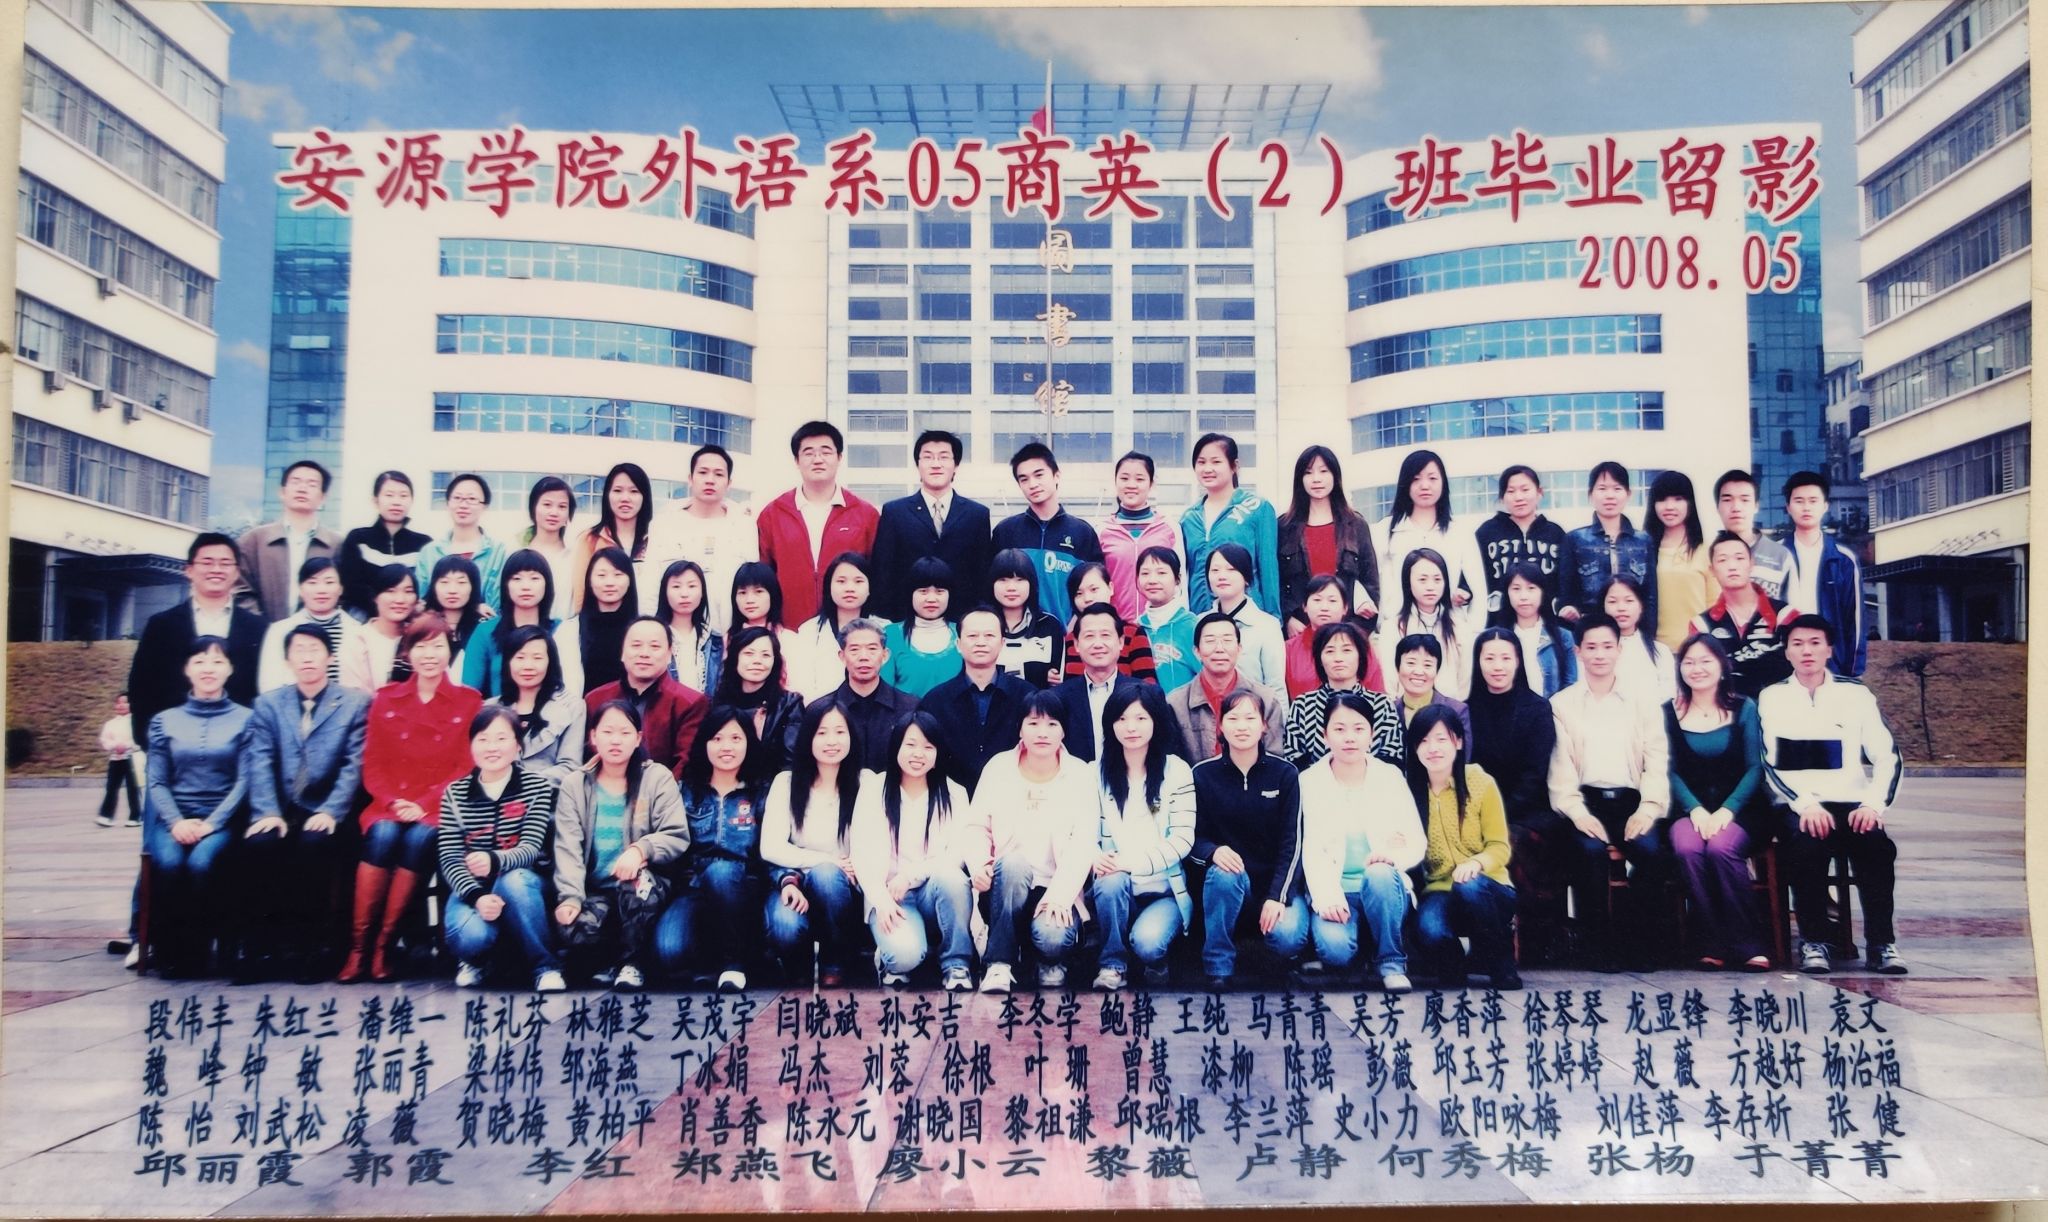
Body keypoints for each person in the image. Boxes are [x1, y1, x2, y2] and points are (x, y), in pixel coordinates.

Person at [1763, 617, 1905, 975]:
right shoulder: (1772, 697)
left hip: (1852, 804)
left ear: (1829, 649)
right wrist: (1806, 804)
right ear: (1786, 651)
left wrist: (1873, 804)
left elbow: (1887, 755)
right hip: (1800, 805)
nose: (1806, 651)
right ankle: (1814, 941)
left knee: (1877, 848)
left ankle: (1881, 944)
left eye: (1815, 643)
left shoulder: (1855, 695)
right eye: (1797, 644)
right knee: (1806, 846)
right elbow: (1770, 763)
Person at [352, 614, 483, 979]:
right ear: (407, 652)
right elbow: (372, 764)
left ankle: (384, 946)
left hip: (439, 807)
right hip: (389, 803)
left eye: (437, 646)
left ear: (450, 651)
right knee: (383, 834)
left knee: (419, 839)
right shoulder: (386, 698)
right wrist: (394, 802)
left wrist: (423, 803)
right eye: (420, 646)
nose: (429, 655)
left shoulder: (468, 701)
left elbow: (464, 766)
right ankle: (359, 948)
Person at [240, 625, 370, 983]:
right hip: (282, 807)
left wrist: (331, 811)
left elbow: (353, 764)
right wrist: (268, 812)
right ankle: (260, 950)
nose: (308, 658)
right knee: (260, 843)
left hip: (330, 808)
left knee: (315, 845)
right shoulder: (269, 704)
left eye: (315, 650)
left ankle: (312, 949)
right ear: (287, 659)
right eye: (299, 650)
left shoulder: (354, 702)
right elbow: (260, 760)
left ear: (330, 657)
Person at [1546, 612, 1672, 972]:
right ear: (1578, 652)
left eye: (1607, 646)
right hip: (1585, 802)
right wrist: (1578, 813)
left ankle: (1636, 940)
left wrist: (1648, 808)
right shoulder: (1562, 704)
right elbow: (1561, 769)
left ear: (1619, 649)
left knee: (1651, 852)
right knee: (1589, 853)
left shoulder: (1642, 701)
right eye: (1591, 647)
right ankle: (1597, 945)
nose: (1599, 654)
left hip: (1633, 802)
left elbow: (1656, 760)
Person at [552, 700, 690, 992]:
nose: (616, 740)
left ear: (638, 738)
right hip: (597, 889)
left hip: (646, 884)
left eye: (625, 733)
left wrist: (641, 850)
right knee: (572, 928)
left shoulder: (656, 778)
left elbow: (676, 834)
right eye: (607, 732)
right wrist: (571, 897)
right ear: (593, 736)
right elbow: (568, 847)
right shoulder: (576, 784)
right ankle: (607, 959)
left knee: (636, 888)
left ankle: (633, 964)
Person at [964, 691, 1099, 991]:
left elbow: (1084, 842)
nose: (1042, 733)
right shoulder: (999, 768)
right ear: (1020, 729)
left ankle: (1046, 960)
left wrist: (1060, 896)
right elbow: (976, 826)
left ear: (1064, 730)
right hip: (1005, 887)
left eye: (1052, 724)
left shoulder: (1080, 774)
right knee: (1013, 864)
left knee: (1052, 938)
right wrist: (979, 864)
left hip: (1055, 887)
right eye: (1033, 723)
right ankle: (999, 964)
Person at [1297, 691, 1425, 991]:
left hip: (1384, 890)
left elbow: (1415, 840)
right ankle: (1362, 946)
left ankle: (1391, 963)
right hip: (1337, 888)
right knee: (1335, 950)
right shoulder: (1308, 781)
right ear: (1324, 735)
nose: (1349, 738)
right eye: (1339, 729)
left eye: (1358, 728)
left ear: (1372, 734)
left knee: (1379, 873)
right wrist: (1325, 897)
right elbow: (1309, 849)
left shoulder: (1389, 777)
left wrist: (1392, 856)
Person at [142, 637, 254, 977]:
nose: (209, 669)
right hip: (173, 819)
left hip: (223, 819)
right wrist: (176, 822)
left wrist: (212, 824)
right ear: (186, 669)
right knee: (170, 862)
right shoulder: (164, 720)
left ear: (230, 669)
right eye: (200, 661)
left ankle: (204, 947)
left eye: (218, 661)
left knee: (202, 862)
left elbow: (244, 781)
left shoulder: (247, 719)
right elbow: (157, 781)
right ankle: (172, 950)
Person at [436, 706, 565, 991]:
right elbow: (450, 857)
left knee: (513, 880)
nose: (491, 747)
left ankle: (545, 967)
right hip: (475, 887)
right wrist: (477, 896)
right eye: (482, 739)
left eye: (501, 738)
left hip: (525, 884)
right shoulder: (455, 793)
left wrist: (494, 860)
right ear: (471, 745)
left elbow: (531, 848)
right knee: (470, 937)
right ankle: (478, 961)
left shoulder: (537, 787)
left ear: (518, 745)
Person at [1667, 633, 1772, 971]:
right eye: (1689, 662)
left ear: (1722, 666)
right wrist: (1695, 809)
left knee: (1721, 848)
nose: (1696, 669)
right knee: (1687, 848)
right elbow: (1667, 769)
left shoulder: (1744, 707)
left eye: (1705, 661)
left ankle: (1748, 942)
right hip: (1688, 808)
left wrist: (1728, 810)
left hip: (1742, 809)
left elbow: (1755, 767)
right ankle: (1709, 940)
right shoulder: (1668, 712)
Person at [1190, 688, 1309, 986]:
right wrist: (1213, 851)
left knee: (1288, 938)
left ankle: (1267, 951)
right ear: (1220, 725)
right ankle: (1218, 964)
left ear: (1264, 725)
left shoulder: (1285, 774)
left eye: (1250, 718)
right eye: (1233, 718)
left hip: (1272, 885)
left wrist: (1277, 896)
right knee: (1224, 873)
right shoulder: (1202, 774)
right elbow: (1191, 837)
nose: (1241, 726)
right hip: (1226, 885)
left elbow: (1292, 843)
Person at [851, 712, 976, 989]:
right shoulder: (874, 789)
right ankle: (890, 958)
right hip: (892, 897)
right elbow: (861, 852)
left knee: (953, 878)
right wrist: (881, 900)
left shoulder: (954, 793)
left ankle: (956, 963)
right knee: (904, 957)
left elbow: (957, 854)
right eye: (910, 744)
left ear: (938, 753)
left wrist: (910, 875)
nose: (918, 754)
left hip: (933, 890)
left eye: (928, 747)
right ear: (896, 746)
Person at [653, 706, 771, 991]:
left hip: (745, 887)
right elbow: (671, 842)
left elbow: (769, 849)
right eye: (717, 739)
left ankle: (734, 963)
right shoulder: (685, 791)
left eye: (735, 738)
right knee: (670, 949)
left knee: (721, 871)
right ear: (704, 743)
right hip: (695, 887)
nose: (726, 747)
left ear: (748, 743)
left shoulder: (760, 792)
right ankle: (714, 956)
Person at [1089, 683, 1196, 989]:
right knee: (1110, 881)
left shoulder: (1177, 770)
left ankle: (1155, 962)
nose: (1131, 727)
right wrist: (1096, 856)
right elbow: (1082, 831)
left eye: (1140, 718)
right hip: (1115, 886)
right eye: (1122, 719)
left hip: (1162, 891)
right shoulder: (1094, 772)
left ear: (1156, 721)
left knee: (1148, 943)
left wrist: (1130, 863)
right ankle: (1112, 965)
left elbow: (1182, 839)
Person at [1465, 628, 1562, 961]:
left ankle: (1523, 939)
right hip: (1478, 810)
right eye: (1489, 658)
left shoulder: (1537, 709)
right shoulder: (1466, 710)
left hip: (1527, 810)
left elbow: (1536, 774)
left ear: (1518, 661)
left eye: (1505, 658)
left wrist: (1498, 817)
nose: (1498, 666)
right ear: (1478, 662)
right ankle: (1484, 939)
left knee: (1509, 841)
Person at [1408, 704, 1519, 989]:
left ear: (1458, 742)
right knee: (1430, 930)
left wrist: (1476, 863)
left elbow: (1499, 846)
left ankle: (1501, 960)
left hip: (1488, 887)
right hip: (1440, 890)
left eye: (1441, 739)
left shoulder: (1480, 783)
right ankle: (1456, 962)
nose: (1433, 748)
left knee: (1469, 887)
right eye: (1423, 740)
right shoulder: (1410, 791)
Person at [761, 701, 866, 985]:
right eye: (821, 732)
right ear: (808, 737)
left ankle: (835, 958)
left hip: (843, 887)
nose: (831, 741)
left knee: (827, 877)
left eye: (839, 732)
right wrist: (827, 860)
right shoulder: (786, 783)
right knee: (786, 925)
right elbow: (770, 847)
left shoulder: (865, 783)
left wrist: (838, 867)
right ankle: (798, 964)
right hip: (792, 880)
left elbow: (872, 844)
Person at [128, 533, 267, 743]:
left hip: (241, 744)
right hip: (176, 744)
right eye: (207, 562)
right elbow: (142, 689)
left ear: (237, 572)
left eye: (225, 563)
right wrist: (152, 743)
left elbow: (263, 691)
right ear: (189, 570)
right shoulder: (162, 625)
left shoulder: (258, 628)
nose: (216, 569)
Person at [757, 421, 881, 628]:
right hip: (789, 630)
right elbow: (763, 575)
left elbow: (877, 575)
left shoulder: (865, 514)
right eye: (808, 453)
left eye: (826, 452)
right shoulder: (773, 514)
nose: (818, 459)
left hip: (852, 632)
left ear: (839, 457)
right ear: (797, 460)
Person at [871, 429, 992, 623]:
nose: (936, 464)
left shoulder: (977, 515)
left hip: (962, 623)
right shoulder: (894, 512)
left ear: (956, 465)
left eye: (944, 457)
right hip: (906, 621)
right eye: (928, 457)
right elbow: (883, 573)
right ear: (918, 464)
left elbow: (983, 575)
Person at [918, 607, 1034, 796]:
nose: (981, 642)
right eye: (972, 636)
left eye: (989, 636)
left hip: (1013, 799)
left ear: (1002, 643)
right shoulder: (935, 700)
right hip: (951, 801)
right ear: (958, 644)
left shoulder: (1026, 696)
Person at [648, 445, 757, 635]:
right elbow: (650, 583)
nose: (710, 480)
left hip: (730, 635)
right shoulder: (665, 524)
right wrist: (651, 630)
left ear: (729, 483)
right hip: (676, 635)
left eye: (719, 474)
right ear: (690, 479)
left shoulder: (744, 526)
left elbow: (753, 583)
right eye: (703, 472)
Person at [582, 617, 710, 777]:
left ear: (669, 654)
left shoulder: (691, 703)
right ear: (622, 652)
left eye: (655, 646)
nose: (644, 654)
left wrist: (661, 790)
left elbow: (685, 764)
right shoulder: (595, 699)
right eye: (636, 645)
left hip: (664, 789)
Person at [992, 442, 1104, 626]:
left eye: (1039, 475)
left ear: (1056, 475)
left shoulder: (1082, 532)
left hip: (1067, 634)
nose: (1033, 484)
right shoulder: (1005, 531)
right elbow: (991, 586)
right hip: (1015, 634)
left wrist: (1077, 624)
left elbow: (1097, 588)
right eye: (1024, 479)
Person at [1278, 445, 1378, 635]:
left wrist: (1355, 631)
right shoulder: (1284, 526)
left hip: (1346, 633)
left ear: (1335, 476)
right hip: (1299, 631)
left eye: (1324, 471)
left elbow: (1371, 583)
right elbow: (1276, 581)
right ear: (1300, 479)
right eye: (1308, 472)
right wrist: (1288, 618)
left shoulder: (1355, 525)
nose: (1316, 479)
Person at [1371, 449, 1487, 611]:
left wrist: (1472, 626)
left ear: (1443, 483)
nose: (1425, 486)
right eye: (1416, 479)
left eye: (1432, 478)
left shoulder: (1460, 532)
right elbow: (1373, 583)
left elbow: (1479, 590)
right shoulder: (1384, 530)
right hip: (1398, 623)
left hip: (1448, 623)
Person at [1182, 432, 1281, 615]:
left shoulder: (1256, 507)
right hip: (1201, 618)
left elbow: (1269, 570)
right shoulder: (1188, 518)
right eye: (1201, 462)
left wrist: (1274, 619)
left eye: (1216, 462)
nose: (1207, 469)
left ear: (1234, 466)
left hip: (1247, 616)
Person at [1284, 620, 1402, 770]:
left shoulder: (1381, 704)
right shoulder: (1303, 705)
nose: (1338, 658)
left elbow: (1392, 758)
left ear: (1360, 656)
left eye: (1346, 650)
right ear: (1320, 659)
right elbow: (1294, 760)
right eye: (1330, 651)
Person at [1168, 612, 1287, 759]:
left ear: (1239, 649)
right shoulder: (1175, 703)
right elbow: (1173, 763)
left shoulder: (1266, 699)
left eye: (1227, 640)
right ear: (1197, 651)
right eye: (1210, 641)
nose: (1219, 648)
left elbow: (1274, 758)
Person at [1691, 533, 1795, 700]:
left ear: (1752, 564)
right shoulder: (1701, 624)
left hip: (1781, 704)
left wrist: (1730, 665)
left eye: (1739, 558)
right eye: (1722, 560)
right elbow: (1701, 674)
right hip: (1727, 708)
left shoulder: (1785, 615)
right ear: (1712, 570)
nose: (1732, 566)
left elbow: (1798, 664)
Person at [237, 459, 343, 622]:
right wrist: (264, 628)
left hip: (318, 634)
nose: (302, 488)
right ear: (282, 492)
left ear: (323, 498)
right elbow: (241, 591)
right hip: (263, 633)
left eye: (312, 484)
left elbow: (344, 596)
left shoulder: (337, 545)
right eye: (296, 482)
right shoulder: (254, 540)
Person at [1782, 472, 1866, 676]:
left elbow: (1855, 620)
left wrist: (1853, 673)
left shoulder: (1843, 559)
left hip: (1831, 666)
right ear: (1788, 507)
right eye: (1799, 501)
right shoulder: (1775, 556)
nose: (1806, 507)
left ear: (1825, 506)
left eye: (1813, 501)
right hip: (1782, 666)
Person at [811, 619, 918, 773]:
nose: (863, 657)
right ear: (842, 656)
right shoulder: (820, 709)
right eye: (854, 649)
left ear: (885, 655)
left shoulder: (909, 707)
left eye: (872, 649)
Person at [464, 550, 571, 695]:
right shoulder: (485, 632)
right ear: (505, 585)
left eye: (534, 578)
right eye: (517, 578)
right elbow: (469, 692)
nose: (525, 586)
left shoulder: (561, 631)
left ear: (547, 584)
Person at [1475, 465, 1572, 620]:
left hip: (1548, 622)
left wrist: (1568, 606)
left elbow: (1567, 579)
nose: (1518, 497)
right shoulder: (1487, 532)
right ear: (1502, 497)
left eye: (1525, 489)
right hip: (1499, 621)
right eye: (1511, 491)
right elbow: (1473, 572)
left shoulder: (1555, 533)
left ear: (1539, 493)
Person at [1097, 451, 1183, 623]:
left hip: (1160, 625)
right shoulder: (1101, 530)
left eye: (1139, 479)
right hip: (1116, 627)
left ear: (1151, 484)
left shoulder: (1169, 527)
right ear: (1115, 482)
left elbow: (1181, 583)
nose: (1131, 485)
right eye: (1124, 478)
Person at [1376, 548, 1473, 701]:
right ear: (1408, 583)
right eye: (1422, 580)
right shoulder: (1393, 628)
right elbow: (1389, 681)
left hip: (1448, 708)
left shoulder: (1459, 627)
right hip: (1406, 708)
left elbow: (1464, 679)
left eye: (1437, 579)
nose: (1430, 587)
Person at [490, 625, 585, 781]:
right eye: (520, 657)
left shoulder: (572, 707)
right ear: (508, 662)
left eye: (537, 658)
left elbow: (570, 767)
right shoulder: (489, 709)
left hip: (549, 793)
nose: (528, 666)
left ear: (550, 662)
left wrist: (521, 784)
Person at [1564, 461, 1656, 622]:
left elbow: (1651, 597)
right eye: (1602, 488)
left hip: (1633, 628)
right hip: (1591, 627)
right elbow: (1566, 593)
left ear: (1628, 494)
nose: (1610, 495)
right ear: (1590, 495)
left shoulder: (1643, 540)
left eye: (1617, 488)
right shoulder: (1575, 539)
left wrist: (1648, 632)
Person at [1050, 603, 1141, 763]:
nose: (1098, 644)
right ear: (1076, 645)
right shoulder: (1058, 698)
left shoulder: (1145, 694)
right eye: (1089, 636)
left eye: (1105, 635)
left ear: (1121, 642)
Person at [791, 552, 889, 697]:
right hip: (820, 708)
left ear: (870, 588)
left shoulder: (886, 629)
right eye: (841, 581)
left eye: (858, 581)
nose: (850, 588)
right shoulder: (809, 631)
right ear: (829, 587)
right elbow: (801, 685)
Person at [339, 470, 432, 622]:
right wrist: (385, 610)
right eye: (389, 495)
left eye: (403, 496)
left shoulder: (424, 543)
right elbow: (351, 585)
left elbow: (429, 587)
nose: (396, 502)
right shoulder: (358, 538)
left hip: (410, 618)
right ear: (375, 500)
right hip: (363, 617)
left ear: (411, 500)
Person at [257, 557, 359, 693]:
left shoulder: (358, 631)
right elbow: (269, 685)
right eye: (312, 582)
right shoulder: (279, 631)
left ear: (340, 589)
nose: (321, 590)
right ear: (300, 589)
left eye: (329, 582)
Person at [569, 463, 657, 615]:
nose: (625, 498)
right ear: (607, 495)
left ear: (645, 497)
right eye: (617, 491)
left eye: (634, 491)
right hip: (602, 624)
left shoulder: (657, 539)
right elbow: (581, 594)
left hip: (648, 625)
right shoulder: (590, 539)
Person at [715, 626, 806, 773]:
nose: (757, 661)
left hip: (773, 784)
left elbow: (791, 763)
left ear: (775, 661)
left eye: (765, 655)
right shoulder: (718, 702)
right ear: (734, 658)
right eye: (749, 653)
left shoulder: (790, 704)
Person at [1283, 575, 1383, 700]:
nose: (1324, 607)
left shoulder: (1360, 645)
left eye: (1332, 601)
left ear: (1345, 608)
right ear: (1305, 606)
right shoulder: (1289, 649)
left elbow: (1376, 693)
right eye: (1317, 600)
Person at [556, 547, 639, 697]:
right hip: (585, 708)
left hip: (633, 708)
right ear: (589, 580)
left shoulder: (643, 629)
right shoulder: (569, 630)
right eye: (601, 575)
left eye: (618, 575)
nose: (609, 583)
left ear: (630, 580)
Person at [415, 472, 506, 606]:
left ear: (484, 506)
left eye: (472, 499)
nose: (463, 505)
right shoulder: (429, 552)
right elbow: (420, 601)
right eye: (457, 498)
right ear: (448, 503)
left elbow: (497, 603)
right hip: (438, 620)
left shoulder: (498, 552)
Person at [1648, 471, 1716, 649]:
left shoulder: (1706, 551)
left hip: (1697, 650)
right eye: (1662, 499)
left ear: (1690, 503)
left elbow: (1715, 607)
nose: (1669, 506)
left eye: (1678, 499)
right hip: (1654, 650)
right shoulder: (1643, 549)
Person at [1058, 562, 1156, 683]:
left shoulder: (1133, 634)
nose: (1087, 598)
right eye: (1079, 593)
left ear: (1110, 588)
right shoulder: (1071, 639)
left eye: (1094, 589)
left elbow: (1148, 685)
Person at [881, 558, 965, 698]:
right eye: (923, 591)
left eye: (939, 591)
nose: (931, 599)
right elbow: (884, 693)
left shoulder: (963, 633)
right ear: (911, 594)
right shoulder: (890, 635)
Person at [1206, 543, 1286, 690]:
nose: (1222, 576)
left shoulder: (1267, 626)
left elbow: (1276, 686)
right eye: (1215, 570)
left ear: (1247, 577)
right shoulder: (1199, 623)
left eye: (1231, 569)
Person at [1490, 562, 1576, 696]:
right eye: (1516, 589)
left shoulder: (1563, 636)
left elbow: (1571, 685)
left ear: (1542, 592)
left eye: (1531, 588)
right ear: (1507, 593)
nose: (1523, 596)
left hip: (1553, 708)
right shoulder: (1494, 638)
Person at [989, 547, 1066, 689]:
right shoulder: (980, 625)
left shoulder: (1049, 625)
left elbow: (1057, 683)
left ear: (1032, 583)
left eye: (1019, 580)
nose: (1011, 587)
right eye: (1003, 580)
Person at [1712, 469, 1792, 602]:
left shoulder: (1780, 555)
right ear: (1717, 507)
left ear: (1756, 506)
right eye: (1727, 500)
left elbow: (1792, 610)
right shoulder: (1706, 556)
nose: (1736, 507)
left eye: (1745, 500)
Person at [339, 565, 419, 692]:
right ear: (375, 597)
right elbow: (354, 696)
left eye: (408, 591)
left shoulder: (420, 636)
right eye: (391, 591)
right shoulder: (357, 640)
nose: (400, 599)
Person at [1135, 546, 1200, 694]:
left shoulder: (1193, 626)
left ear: (1178, 579)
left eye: (1161, 573)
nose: (1152, 580)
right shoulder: (1135, 627)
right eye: (1145, 573)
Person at [1605, 574, 1678, 703]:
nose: (1621, 608)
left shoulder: (1660, 652)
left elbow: (1668, 696)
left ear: (1641, 606)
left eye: (1629, 601)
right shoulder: (1592, 652)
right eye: (1612, 602)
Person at [726, 560, 804, 676]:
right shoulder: (727, 640)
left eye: (758, 591)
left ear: (773, 595)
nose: (749, 600)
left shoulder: (788, 640)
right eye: (742, 593)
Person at [657, 560, 724, 695]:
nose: (684, 594)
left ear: (702, 592)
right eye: (676, 586)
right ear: (665, 592)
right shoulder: (654, 637)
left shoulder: (714, 640)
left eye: (692, 586)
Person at [516, 475, 577, 621]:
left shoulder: (576, 555)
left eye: (562, 506)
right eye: (547, 504)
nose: (554, 512)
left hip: (565, 631)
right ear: (533, 508)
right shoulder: (514, 550)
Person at [1390, 634, 1472, 743]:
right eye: (1411, 663)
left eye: (1427, 665)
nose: (1419, 672)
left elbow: (1464, 752)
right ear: (1398, 667)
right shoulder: (1387, 711)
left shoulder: (1457, 710)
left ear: (1436, 670)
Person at [425, 554, 485, 681]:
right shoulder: (421, 626)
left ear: (473, 587)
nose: (452, 590)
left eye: (461, 582)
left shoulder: (483, 629)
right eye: (444, 582)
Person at [97, 693, 141, 828]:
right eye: (118, 703)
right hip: (115, 758)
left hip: (132, 758)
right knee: (111, 787)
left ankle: (135, 816)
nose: (121, 705)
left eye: (125, 702)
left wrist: (126, 746)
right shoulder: (110, 724)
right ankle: (106, 816)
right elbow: (104, 740)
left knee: (133, 788)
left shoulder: (136, 722)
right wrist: (115, 746)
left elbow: (139, 740)